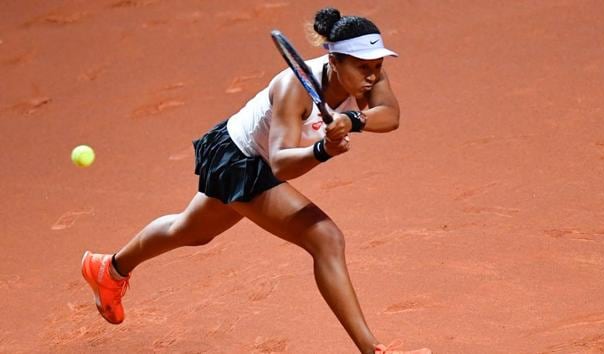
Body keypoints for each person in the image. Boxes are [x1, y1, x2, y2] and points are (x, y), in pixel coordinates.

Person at [81, 7, 431, 354]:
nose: (372, 76)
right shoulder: (294, 87)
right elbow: (279, 165)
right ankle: (374, 351)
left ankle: (108, 269)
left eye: (377, 66)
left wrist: (353, 120)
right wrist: (323, 149)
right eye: (362, 67)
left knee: (191, 230)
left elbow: (390, 115)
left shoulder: (369, 74)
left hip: (254, 157)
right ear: (335, 62)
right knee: (326, 239)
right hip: (238, 158)